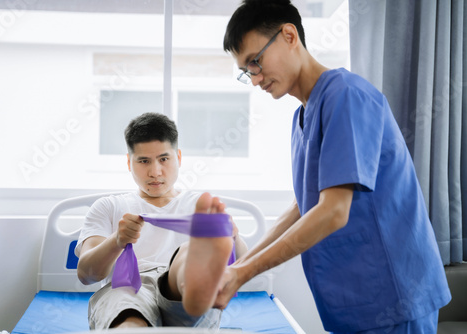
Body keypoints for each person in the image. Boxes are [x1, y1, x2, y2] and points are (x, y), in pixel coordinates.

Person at [215, 1, 451, 333]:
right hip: (355, 302)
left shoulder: (346, 96)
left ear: (289, 35)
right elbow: (304, 204)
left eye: (255, 62)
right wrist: (240, 265)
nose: (255, 80)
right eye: (247, 72)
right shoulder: (302, 116)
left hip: (394, 297)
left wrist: (244, 273)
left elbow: (333, 211)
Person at [75, 112, 247, 329]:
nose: (155, 172)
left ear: (179, 158)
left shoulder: (203, 207)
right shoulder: (108, 207)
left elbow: (246, 268)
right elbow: (86, 274)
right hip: (128, 285)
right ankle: (193, 279)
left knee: (186, 255)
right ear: (129, 162)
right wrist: (117, 240)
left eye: (164, 159)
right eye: (144, 161)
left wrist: (234, 236)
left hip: (179, 281)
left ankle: (194, 276)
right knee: (128, 318)